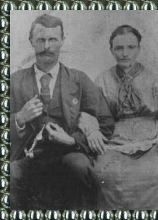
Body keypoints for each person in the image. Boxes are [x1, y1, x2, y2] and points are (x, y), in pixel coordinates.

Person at [10, 14, 114, 210]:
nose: (47, 46)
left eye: (53, 40)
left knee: (79, 167)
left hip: (69, 153)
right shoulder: (14, 81)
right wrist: (20, 118)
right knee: (11, 173)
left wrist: (73, 140)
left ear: (62, 41)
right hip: (28, 156)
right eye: (41, 39)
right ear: (31, 41)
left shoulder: (79, 80)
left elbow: (106, 122)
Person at [90, 25, 158, 210]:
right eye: (119, 48)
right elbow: (90, 114)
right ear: (111, 50)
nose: (125, 53)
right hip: (114, 145)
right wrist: (92, 131)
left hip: (152, 144)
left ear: (139, 48)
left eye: (131, 47)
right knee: (104, 175)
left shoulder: (154, 81)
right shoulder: (102, 81)